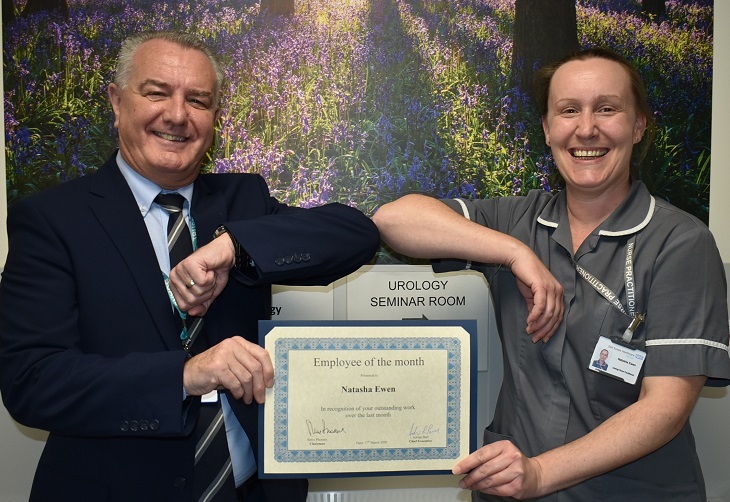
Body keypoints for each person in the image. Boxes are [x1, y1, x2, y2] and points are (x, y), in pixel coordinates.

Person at [0, 31, 379, 502]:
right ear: (117, 102)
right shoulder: (52, 220)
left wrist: (234, 247)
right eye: (157, 92)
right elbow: (33, 383)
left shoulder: (245, 200)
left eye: (198, 100)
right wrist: (184, 374)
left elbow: (357, 234)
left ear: (215, 118)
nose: (178, 115)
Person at [372, 48, 730, 501]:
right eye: (568, 111)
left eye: (607, 108)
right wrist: (513, 251)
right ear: (546, 128)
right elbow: (393, 219)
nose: (586, 128)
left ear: (639, 125)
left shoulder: (680, 241)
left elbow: (665, 410)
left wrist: (539, 472)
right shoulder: (517, 219)